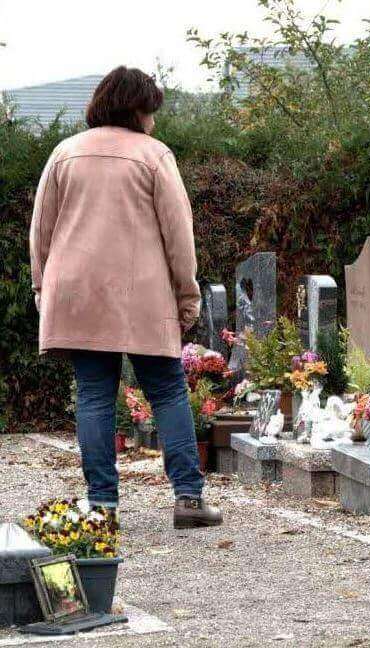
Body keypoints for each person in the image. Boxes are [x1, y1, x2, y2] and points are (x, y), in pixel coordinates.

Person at [28, 66, 222, 529]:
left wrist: (42, 288)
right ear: (137, 109)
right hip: (143, 296)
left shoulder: (64, 153)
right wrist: (187, 295)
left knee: (94, 395)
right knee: (169, 391)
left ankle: (102, 507)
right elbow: (179, 234)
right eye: (150, 111)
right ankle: (189, 501)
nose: (154, 121)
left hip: (77, 293)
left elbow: (42, 231)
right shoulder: (155, 156)